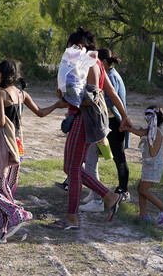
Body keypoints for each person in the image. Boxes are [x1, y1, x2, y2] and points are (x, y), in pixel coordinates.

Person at [0, 59, 66, 243]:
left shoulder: (0, 93)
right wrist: (57, 105)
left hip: (3, 144)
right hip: (18, 144)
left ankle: (16, 213)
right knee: (5, 186)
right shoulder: (22, 94)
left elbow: (1, 121)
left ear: (0, 75)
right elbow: (41, 112)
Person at [51, 27, 132, 230]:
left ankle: (72, 217)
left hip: (83, 120)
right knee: (71, 168)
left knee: (73, 169)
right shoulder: (96, 63)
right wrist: (125, 117)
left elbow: (91, 99)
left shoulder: (88, 65)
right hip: (83, 119)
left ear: (79, 46)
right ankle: (110, 197)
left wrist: (65, 98)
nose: (68, 50)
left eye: (70, 47)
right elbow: (112, 93)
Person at [79, 48, 131, 213]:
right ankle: (94, 193)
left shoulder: (111, 76)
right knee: (92, 157)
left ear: (103, 62)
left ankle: (122, 190)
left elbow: (108, 99)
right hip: (108, 121)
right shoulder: (107, 73)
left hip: (114, 123)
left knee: (118, 157)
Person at [127, 106, 163, 225]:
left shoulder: (155, 131)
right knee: (140, 189)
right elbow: (140, 132)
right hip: (149, 165)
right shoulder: (152, 129)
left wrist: (131, 129)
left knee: (143, 190)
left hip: (154, 166)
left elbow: (141, 135)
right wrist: (130, 128)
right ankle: (143, 215)